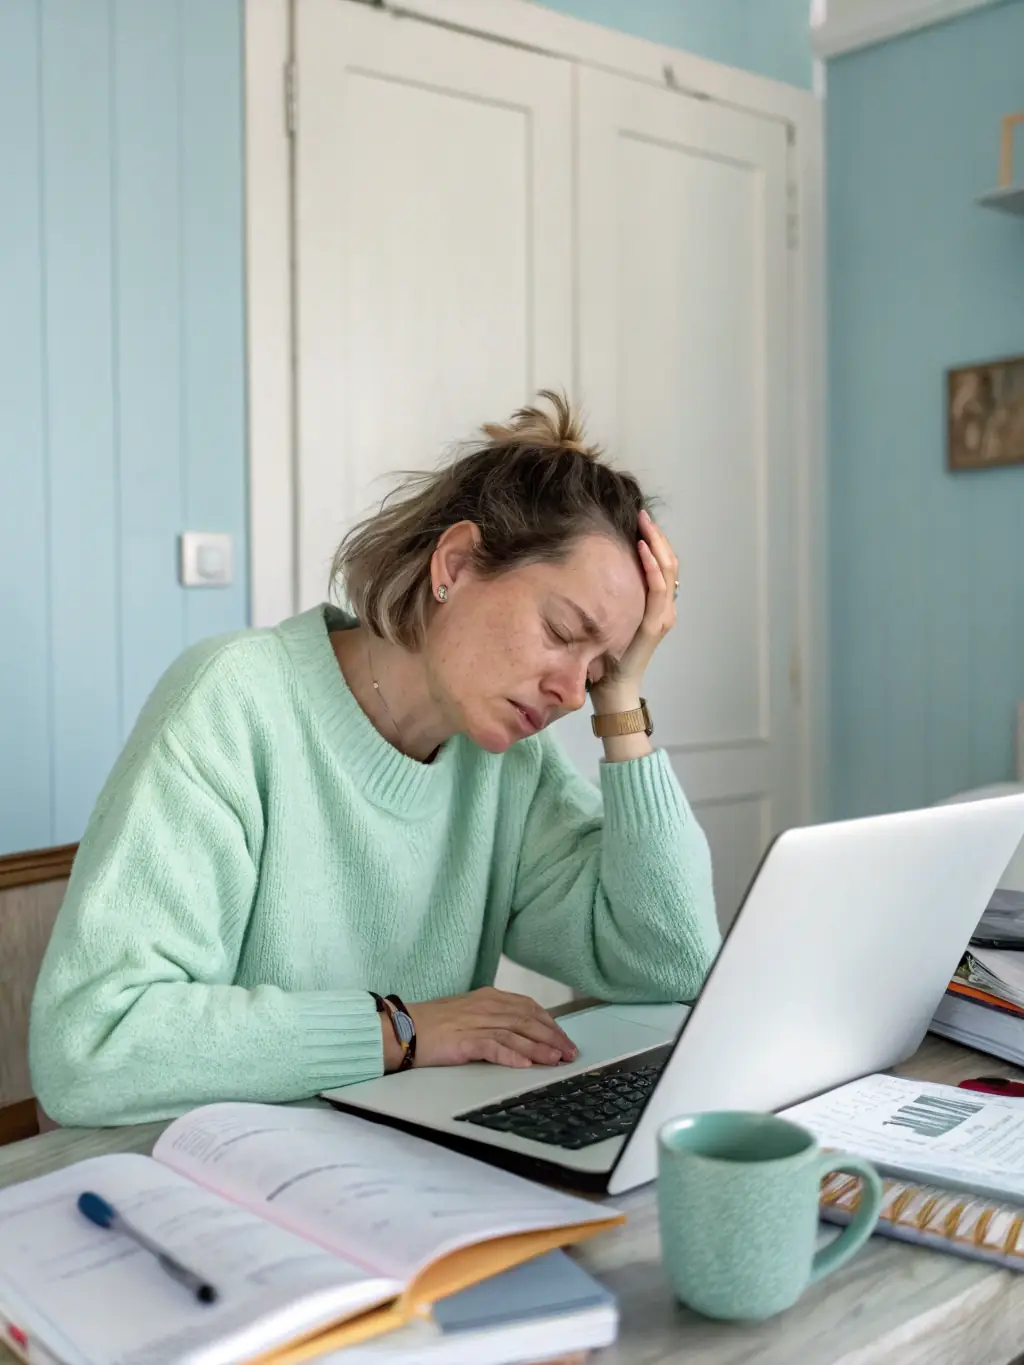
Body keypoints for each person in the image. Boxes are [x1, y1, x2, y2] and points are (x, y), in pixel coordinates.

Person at [29, 392, 720, 1126]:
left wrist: (626, 700)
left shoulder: (513, 766)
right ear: (454, 563)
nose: (571, 693)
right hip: (189, 1176)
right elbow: (92, 1046)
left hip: (386, 1162)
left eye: (596, 668)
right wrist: (401, 1029)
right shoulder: (233, 700)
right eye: (561, 631)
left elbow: (670, 964)